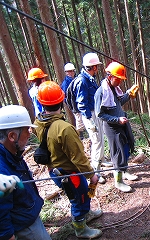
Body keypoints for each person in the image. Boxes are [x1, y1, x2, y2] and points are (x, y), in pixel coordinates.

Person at [34, 81, 103, 239]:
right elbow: (78, 158)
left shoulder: (38, 122)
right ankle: (80, 229)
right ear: (61, 100)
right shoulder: (64, 128)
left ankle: (86, 214)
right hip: (68, 172)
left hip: (55, 171)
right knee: (79, 199)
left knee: (82, 194)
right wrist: (91, 175)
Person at [0, 105, 51, 240]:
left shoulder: (11, 152)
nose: (30, 134)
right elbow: (1, 210)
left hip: (27, 215)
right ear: (12, 136)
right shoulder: (2, 169)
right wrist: (8, 236)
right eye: (26, 130)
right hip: (23, 227)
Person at [95, 61, 139, 192]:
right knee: (117, 153)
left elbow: (118, 102)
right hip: (112, 128)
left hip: (121, 124)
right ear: (110, 76)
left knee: (126, 148)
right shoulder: (101, 92)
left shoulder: (113, 88)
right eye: (118, 79)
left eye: (121, 79)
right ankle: (118, 181)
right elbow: (100, 114)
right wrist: (116, 119)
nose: (120, 81)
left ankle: (124, 171)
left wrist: (129, 94)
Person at [71, 53, 107, 184]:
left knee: (100, 138)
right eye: (96, 66)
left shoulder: (90, 78)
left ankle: (101, 160)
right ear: (92, 67)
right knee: (97, 141)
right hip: (90, 115)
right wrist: (89, 120)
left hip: (94, 112)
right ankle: (96, 171)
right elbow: (81, 103)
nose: (97, 69)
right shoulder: (82, 81)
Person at [61, 62, 86, 140]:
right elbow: (65, 97)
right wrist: (71, 105)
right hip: (74, 104)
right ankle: (81, 137)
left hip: (80, 102)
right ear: (66, 72)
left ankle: (84, 134)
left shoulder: (76, 79)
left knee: (83, 118)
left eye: (72, 71)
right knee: (79, 120)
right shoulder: (65, 83)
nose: (71, 73)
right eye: (69, 71)